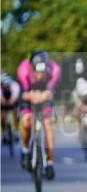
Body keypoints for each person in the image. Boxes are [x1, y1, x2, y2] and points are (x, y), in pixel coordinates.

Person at [17, 50, 61, 178]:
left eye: (43, 72)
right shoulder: (23, 69)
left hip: (44, 95)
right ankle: (25, 150)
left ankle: (49, 161)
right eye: (36, 72)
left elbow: (50, 91)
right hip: (28, 94)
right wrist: (32, 96)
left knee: (48, 125)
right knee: (26, 121)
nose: (39, 75)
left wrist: (43, 96)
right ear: (31, 68)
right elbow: (24, 93)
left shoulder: (55, 69)